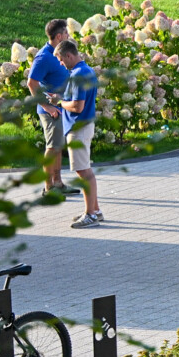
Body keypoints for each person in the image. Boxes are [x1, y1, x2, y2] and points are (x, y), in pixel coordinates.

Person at [55, 39, 101, 229]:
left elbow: (77, 106)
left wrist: (60, 102)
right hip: (84, 125)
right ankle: (95, 210)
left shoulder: (78, 75)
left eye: (60, 59)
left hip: (78, 128)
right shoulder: (86, 70)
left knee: (83, 171)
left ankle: (90, 215)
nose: (60, 64)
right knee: (85, 169)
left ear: (68, 55)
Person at [26, 19, 71, 195]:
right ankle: (48, 187)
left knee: (57, 146)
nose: (68, 35)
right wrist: (47, 107)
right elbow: (31, 83)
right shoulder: (44, 57)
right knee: (52, 147)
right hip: (51, 112)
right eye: (66, 33)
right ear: (59, 36)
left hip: (61, 108)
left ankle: (58, 183)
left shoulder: (58, 54)